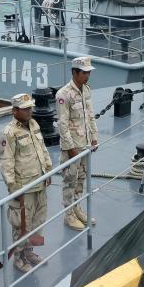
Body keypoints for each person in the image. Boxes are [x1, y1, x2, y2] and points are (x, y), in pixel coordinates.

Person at [0, 92, 53, 273]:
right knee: (21, 225)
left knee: (37, 221)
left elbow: (42, 149)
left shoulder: (34, 124)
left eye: (30, 107)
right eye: (25, 109)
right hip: (24, 189)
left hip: (39, 183)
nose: (29, 111)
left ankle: (29, 252)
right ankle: (19, 258)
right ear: (14, 111)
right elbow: (6, 163)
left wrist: (48, 170)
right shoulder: (9, 133)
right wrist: (14, 189)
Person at [56, 55, 97, 230]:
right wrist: (70, 148)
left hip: (85, 144)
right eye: (84, 73)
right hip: (72, 148)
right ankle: (68, 215)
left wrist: (94, 137)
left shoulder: (86, 90)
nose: (87, 76)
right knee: (70, 180)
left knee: (81, 178)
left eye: (88, 72)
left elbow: (90, 114)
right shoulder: (64, 95)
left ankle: (77, 208)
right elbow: (62, 125)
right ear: (75, 72)